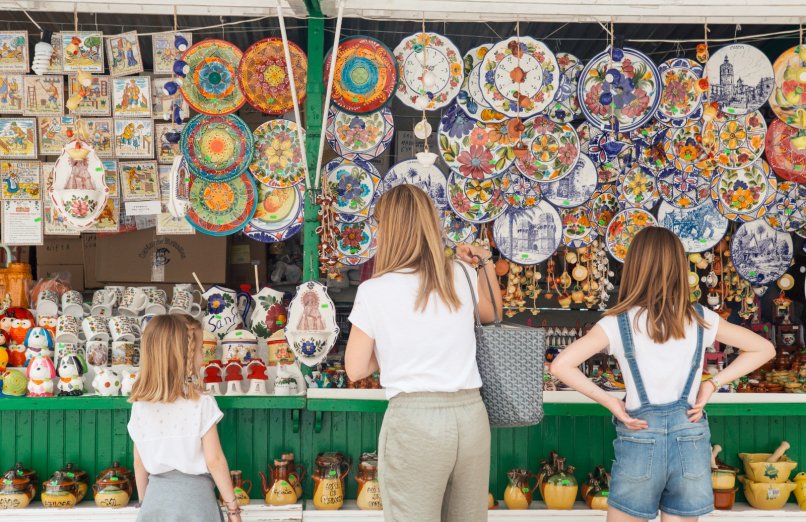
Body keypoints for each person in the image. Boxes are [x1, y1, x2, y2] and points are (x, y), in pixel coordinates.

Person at [550, 227, 775, 522]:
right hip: (690, 439)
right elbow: (764, 349)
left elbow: (560, 366)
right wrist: (712, 385)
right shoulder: (699, 318)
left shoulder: (617, 323)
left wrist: (611, 402)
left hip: (639, 434)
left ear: (634, 267)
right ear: (679, 268)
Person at [345, 184, 503, 522]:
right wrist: (485, 260)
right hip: (471, 416)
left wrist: (390, 347)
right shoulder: (459, 274)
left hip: (415, 422)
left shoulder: (374, 291)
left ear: (387, 230)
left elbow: (356, 368)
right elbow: (492, 315)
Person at [127, 314, 242, 522]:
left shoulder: (139, 406)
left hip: (156, 500)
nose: (202, 356)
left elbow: (139, 461)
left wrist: (145, 502)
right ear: (185, 356)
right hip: (196, 503)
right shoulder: (200, 402)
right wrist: (232, 508)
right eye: (198, 350)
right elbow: (214, 460)